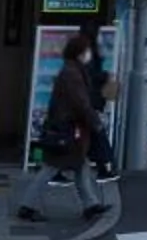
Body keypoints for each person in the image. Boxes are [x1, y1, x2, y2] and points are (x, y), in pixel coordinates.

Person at [42, 27, 112, 214]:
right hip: (67, 127)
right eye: (86, 50)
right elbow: (80, 102)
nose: (89, 54)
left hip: (68, 125)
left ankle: (91, 204)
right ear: (80, 53)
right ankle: (28, 205)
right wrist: (95, 122)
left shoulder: (72, 70)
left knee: (81, 165)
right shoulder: (72, 73)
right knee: (51, 167)